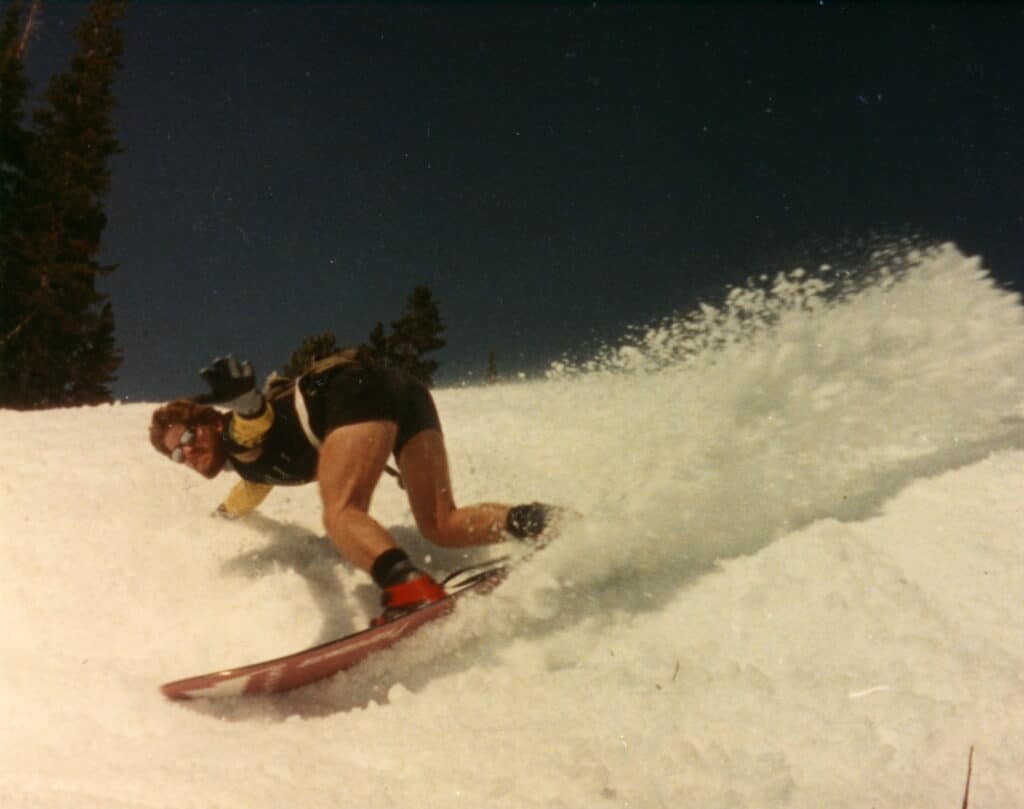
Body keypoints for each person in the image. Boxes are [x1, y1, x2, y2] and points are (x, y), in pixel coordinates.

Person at [149, 353, 555, 625]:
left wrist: (246, 401)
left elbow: (253, 422)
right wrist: (223, 518)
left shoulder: (237, 437)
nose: (190, 454)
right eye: (178, 457)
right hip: (404, 393)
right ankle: (547, 522)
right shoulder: (252, 470)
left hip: (352, 390)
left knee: (340, 511)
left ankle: (407, 587)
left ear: (211, 421)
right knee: (441, 523)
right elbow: (249, 491)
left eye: (188, 439)